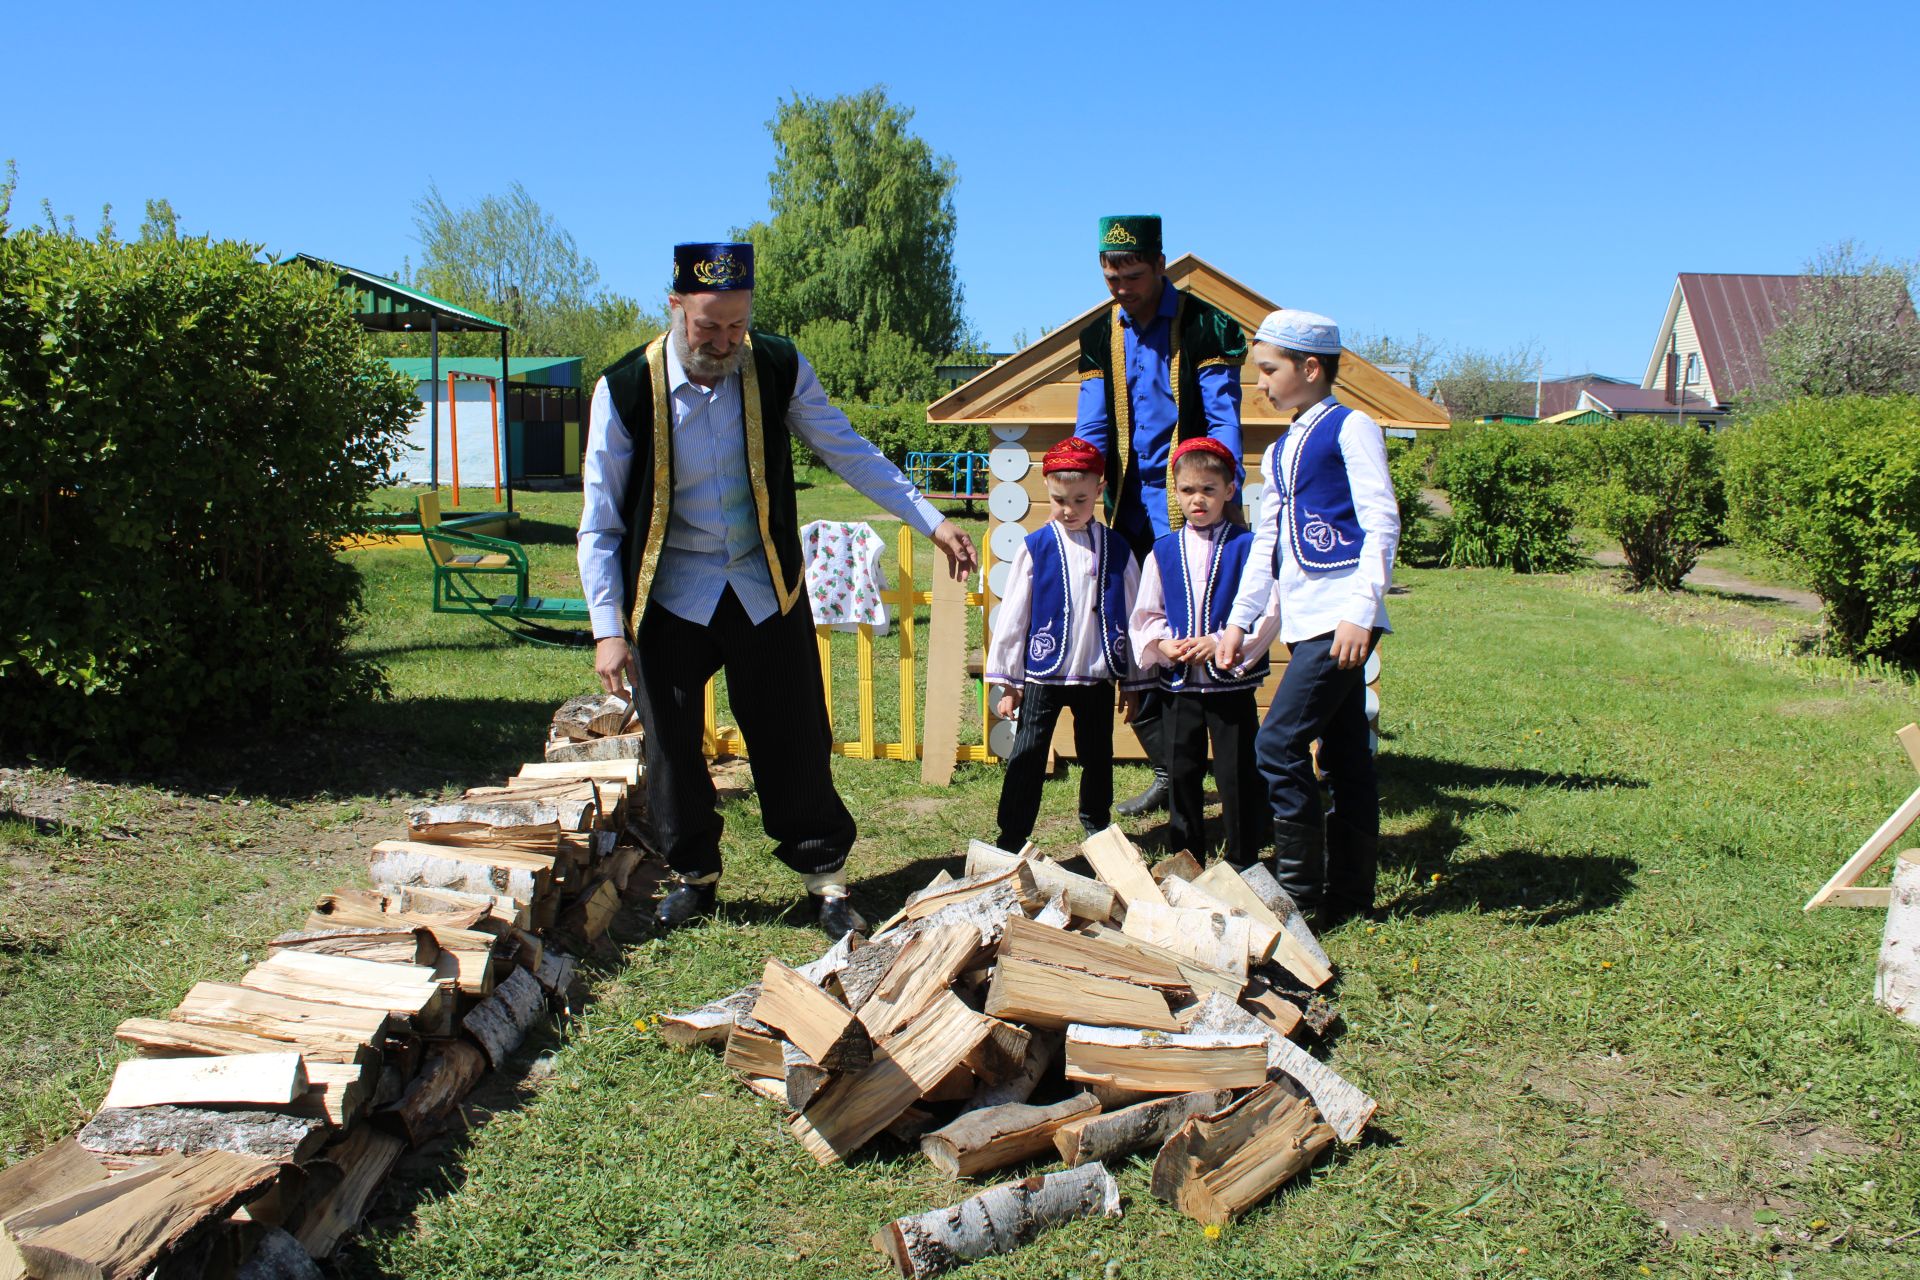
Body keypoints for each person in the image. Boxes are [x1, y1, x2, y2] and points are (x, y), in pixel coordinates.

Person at [577, 241, 977, 938]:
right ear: (675, 308)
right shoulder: (624, 388)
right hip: (670, 592)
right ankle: (694, 877)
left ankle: (825, 880)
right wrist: (609, 627)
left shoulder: (776, 366)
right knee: (671, 745)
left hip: (765, 586)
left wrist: (933, 518)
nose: (725, 342)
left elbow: (847, 449)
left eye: (737, 326)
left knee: (794, 733)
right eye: (708, 327)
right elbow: (600, 520)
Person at [1217, 310, 1400, 924]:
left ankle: (1299, 895)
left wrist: (1360, 610)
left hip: (1340, 619)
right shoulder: (1280, 449)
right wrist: (1242, 624)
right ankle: (1349, 897)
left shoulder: (1353, 429)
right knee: (1346, 753)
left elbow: (1381, 521)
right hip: (1305, 621)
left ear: (1311, 367)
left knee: (1278, 742)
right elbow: (1268, 548)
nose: (1260, 383)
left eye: (1269, 370)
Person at [1073, 214, 1247, 817]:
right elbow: (1092, 428)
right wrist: (1079, 489)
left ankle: (1232, 780)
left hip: (1191, 507)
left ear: (1160, 264)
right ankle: (1172, 771)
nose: (1118, 284)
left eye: (1131, 273)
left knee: (1203, 635)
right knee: (1130, 642)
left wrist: (1227, 494)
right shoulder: (1099, 336)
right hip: (1125, 510)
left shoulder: (1208, 326)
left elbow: (1224, 421)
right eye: (1109, 273)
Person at [987, 437, 1145, 853]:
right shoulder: (1035, 547)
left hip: (1096, 671)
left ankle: (1097, 826)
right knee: (1030, 749)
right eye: (1059, 500)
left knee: (1097, 753)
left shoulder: (1117, 548)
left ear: (1098, 489)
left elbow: (1134, 613)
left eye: (1079, 499)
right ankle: (1012, 834)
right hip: (1045, 672)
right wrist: (1011, 680)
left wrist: (1132, 680)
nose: (1069, 510)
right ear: (1047, 491)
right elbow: (1015, 615)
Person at [1129, 437, 1281, 867]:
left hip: (1231, 684)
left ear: (1229, 490)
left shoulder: (1247, 546)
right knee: (1181, 771)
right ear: (1175, 493)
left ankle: (1243, 857)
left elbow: (1269, 608)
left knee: (1236, 774)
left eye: (1209, 490)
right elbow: (1147, 611)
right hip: (1179, 685)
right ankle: (1186, 853)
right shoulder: (1163, 550)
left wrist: (1220, 642)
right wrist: (1162, 643)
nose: (1198, 500)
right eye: (1188, 491)